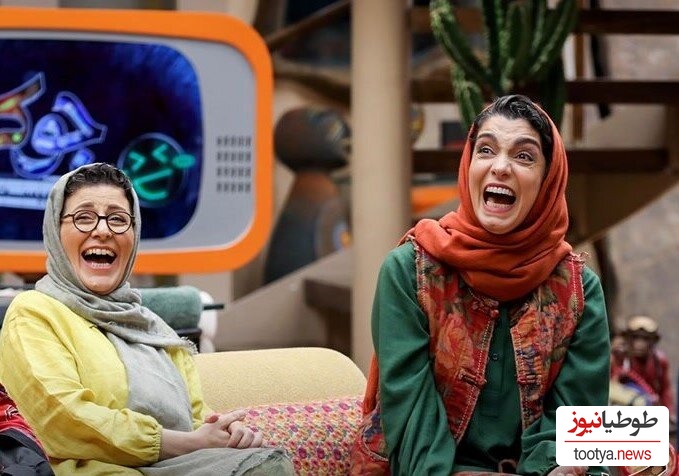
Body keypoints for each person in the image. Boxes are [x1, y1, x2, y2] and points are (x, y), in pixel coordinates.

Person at [349, 95, 611, 476]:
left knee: (654, 454)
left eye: (524, 156)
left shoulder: (579, 290)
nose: (500, 167)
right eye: (486, 150)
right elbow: (412, 425)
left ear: (548, 181)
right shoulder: (409, 272)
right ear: (468, 164)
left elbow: (578, 421)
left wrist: (557, 467)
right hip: (432, 471)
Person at [0, 163, 293, 475]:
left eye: (118, 219)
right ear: (55, 233)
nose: (102, 231)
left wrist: (227, 434)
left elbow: (196, 418)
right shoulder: (34, 312)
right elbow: (60, 421)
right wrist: (188, 443)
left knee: (267, 462)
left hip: (178, 467)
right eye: (83, 218)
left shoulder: (155, 330)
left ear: (134, 233)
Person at [619, 315, 675, 420]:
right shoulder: (620, 359)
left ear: (653, 341)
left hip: (650, 412)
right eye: (636, 338)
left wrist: (669, 412)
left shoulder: (659, 361)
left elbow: (665, 390)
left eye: (645, 339)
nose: (640, 344)